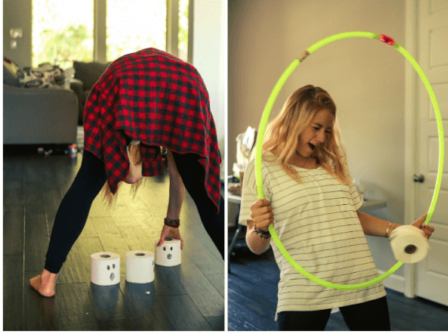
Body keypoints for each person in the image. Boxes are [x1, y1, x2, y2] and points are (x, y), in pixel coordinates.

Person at [30, 48, 224, 297]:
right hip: (188, 82)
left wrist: (172, 222)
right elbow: (174, 167)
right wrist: (171, 220)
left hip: (129, 80)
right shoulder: (131, 104)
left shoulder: (103, 100)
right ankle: (232, 282)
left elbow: (131, 174)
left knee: (85, 184)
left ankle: (47, 280)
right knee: (205, 192)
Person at [239, 85, 435, 331]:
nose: (322, 137)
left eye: (328, 130)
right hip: (304, 288)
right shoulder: (262, 166)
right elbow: (255, 246)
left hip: (359, 279)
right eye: (316, 128)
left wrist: (399, 230)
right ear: (295, 120)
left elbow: (350, 216)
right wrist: (261, 228)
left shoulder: (332, 159)